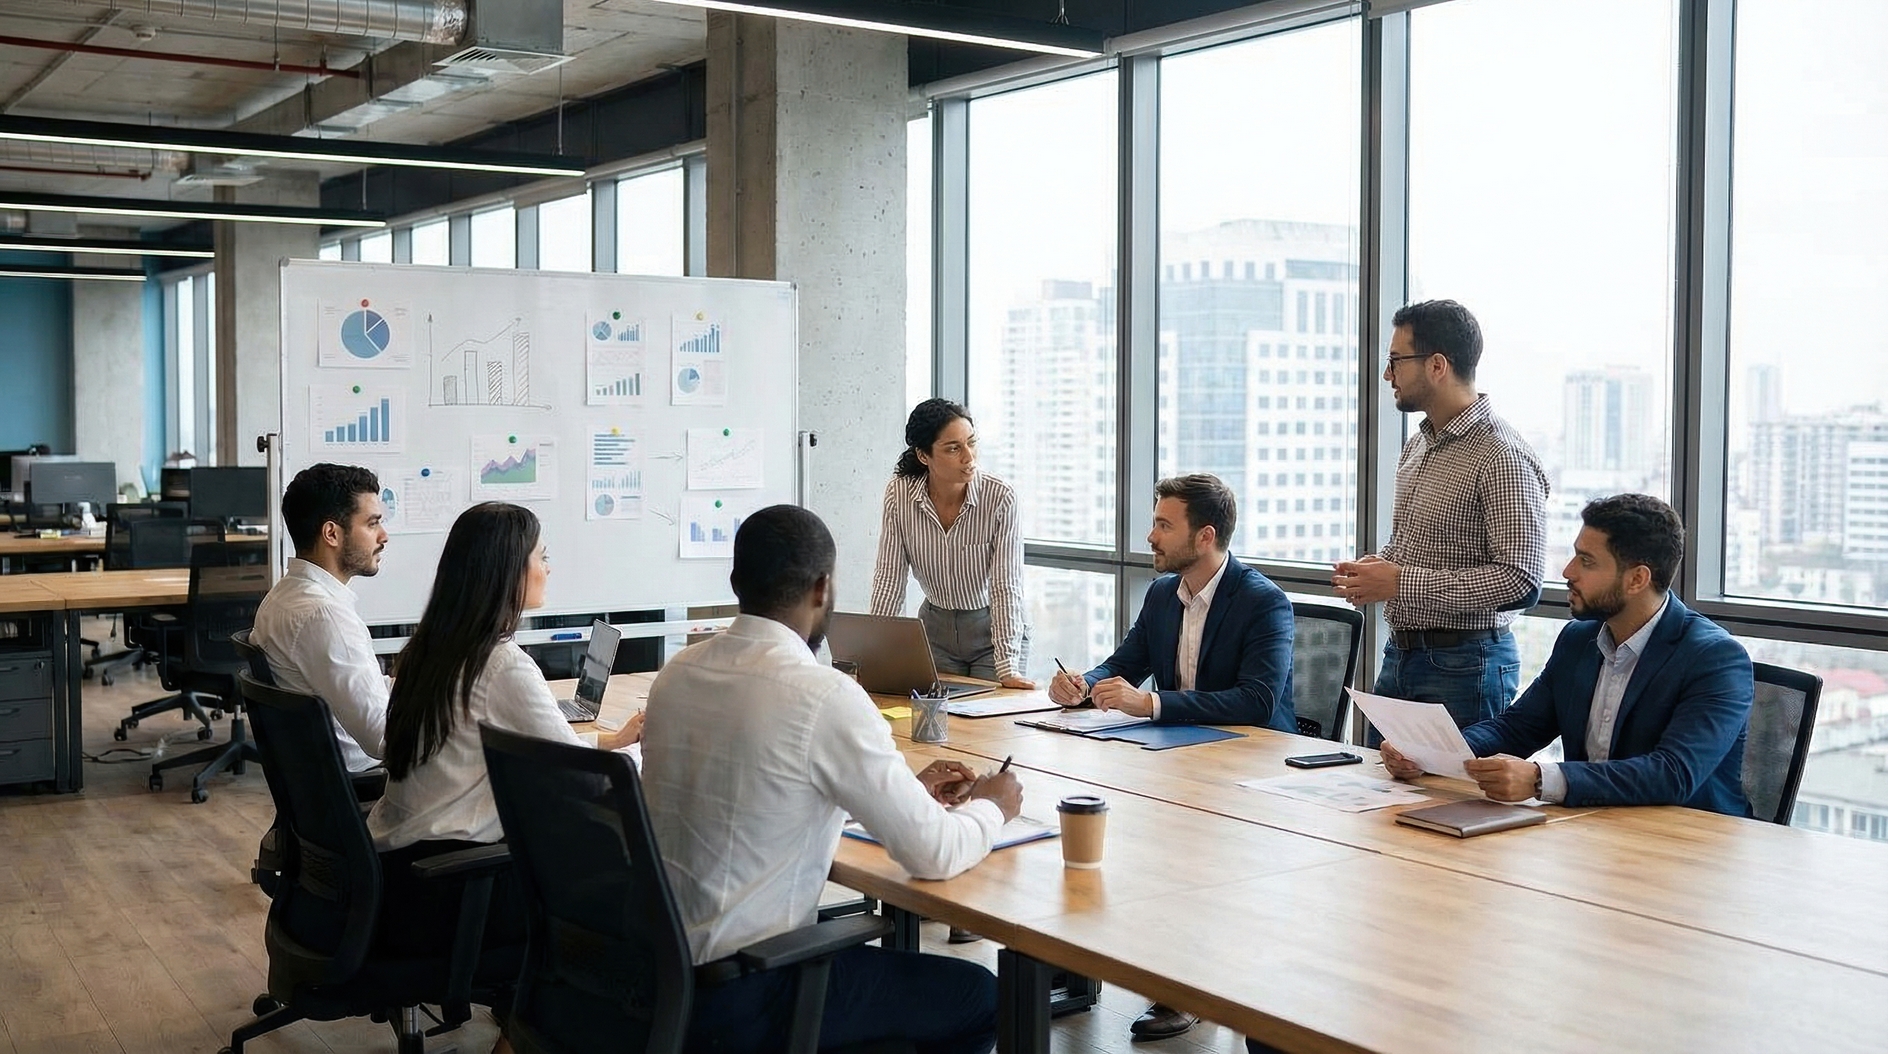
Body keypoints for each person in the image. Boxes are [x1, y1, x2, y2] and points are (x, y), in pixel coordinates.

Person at [643, 504, 1021, 1054]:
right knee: (982, 997)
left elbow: (763, 788)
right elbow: (933, 855)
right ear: (823, 588)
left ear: (735, 582)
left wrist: (901, 792)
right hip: (751, 990)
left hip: (659, 979)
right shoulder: (822, 693)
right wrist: (993, 805)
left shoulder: (677, 673)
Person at [1047, 473, 1292, 1042]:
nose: (1150, 536)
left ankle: (1188, 983)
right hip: (1177, 759)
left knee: (1174, 848)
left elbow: (1257, 702)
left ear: (1204, 536)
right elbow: (1125, 663)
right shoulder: (1163, 594)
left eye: (1163, 524)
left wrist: (1152, 703)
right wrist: (1085, 684)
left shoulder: (1262, 601)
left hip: (1249, 770)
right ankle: (1090, 961)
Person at [367, 502, 642, 963]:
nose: (548, 569)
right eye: (543, 557)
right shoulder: (502, 665)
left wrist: (608, 743)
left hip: (402, 870)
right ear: (511, 571)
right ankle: (534, 1028)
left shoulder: (430, 649)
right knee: (613, 878)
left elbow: (553, 752)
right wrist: (641, 757)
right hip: (454, 890)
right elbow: (583, 780)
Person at [1380, 494, 1754, 816]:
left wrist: (1541, 780)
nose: (1567, 571)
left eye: (1587, 562)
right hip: (1596, 827)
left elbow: (1673, 773)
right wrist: (1427, 754)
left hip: (1688, 845)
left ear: (1637, 579)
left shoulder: (1715, 659)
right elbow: (1518, 727)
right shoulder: (1580, 639)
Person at [1333, 299, 1548, 730]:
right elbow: (1424, 547)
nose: (1387, 374)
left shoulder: (1500, 454)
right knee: (1381, 796)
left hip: (1466, 665)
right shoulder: (1418, 446)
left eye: (1395, 360)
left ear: (1436, 365)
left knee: (1456, 798)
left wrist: (1399, 581)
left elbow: (1521, 580)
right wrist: (1377, 571)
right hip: (1401, 655)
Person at [871, 398, 1034, 689]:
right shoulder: (900, 494)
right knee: (933, 722)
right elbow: (889, 577)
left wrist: (1007, 665)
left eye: (971, 443)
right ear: (923, 455)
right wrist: (873, 655)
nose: (969, 457)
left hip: (992, 631)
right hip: (935, 630)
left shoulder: (1000, 498)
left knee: (987, 729)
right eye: (953, 448)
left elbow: (1006, 585)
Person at [251, 463, 391, 774]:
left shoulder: (284, 596)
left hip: (323, 782)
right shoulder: (325, 616)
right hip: (366, 778)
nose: (384, 536)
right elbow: (383, 738)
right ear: (332, 533)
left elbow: (364, 691)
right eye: (372, 524)